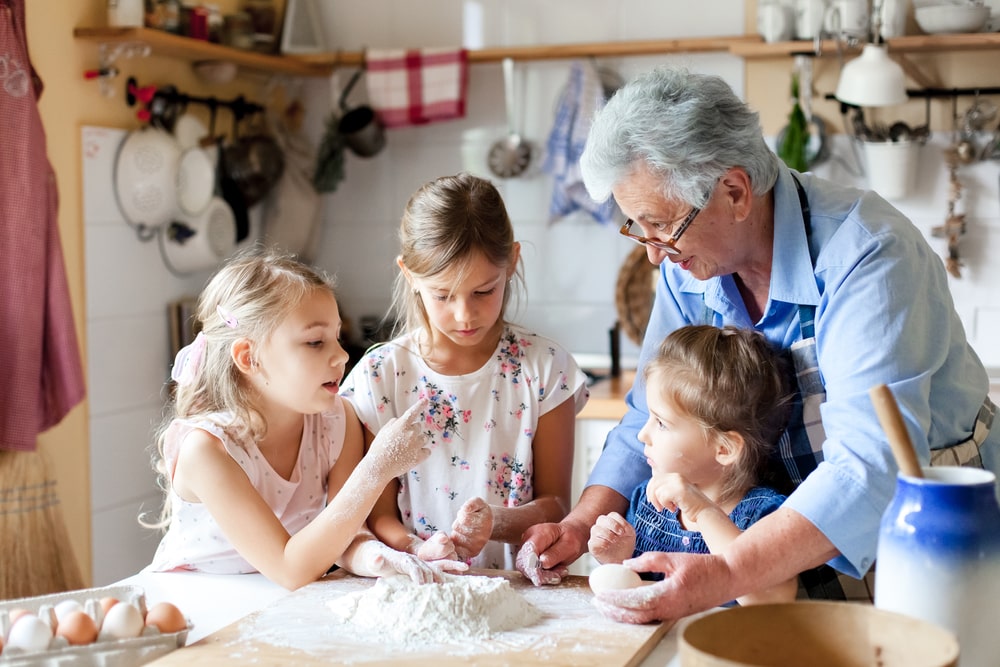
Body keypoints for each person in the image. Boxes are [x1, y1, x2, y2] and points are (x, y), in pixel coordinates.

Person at [517, 67, 998, 622]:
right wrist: (580, 524)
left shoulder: (869, 255)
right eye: (637, 227)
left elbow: (868, 465)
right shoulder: (690, 266)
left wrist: (724, 573)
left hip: (924, 533)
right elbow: (644, 416)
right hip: (780, 539)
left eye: (660, 226)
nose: (652, 254)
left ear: (736, 192)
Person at [144, 247, 461, 590]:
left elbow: (345, 533)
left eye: (337, 337)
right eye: (314, 342)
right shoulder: (207, 451)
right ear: (249, 358)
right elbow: (289, 568)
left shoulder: (336, 422)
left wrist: (387, 558)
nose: (341, 355)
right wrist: (377, 467)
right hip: (197, 607)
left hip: (274, 608)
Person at [340, 172, 590, 571]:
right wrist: (417, 548)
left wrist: (497, 522)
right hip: (415, 587)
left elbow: (558, 503)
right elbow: (376, 513)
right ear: (409, 275)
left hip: (521, 592)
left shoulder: (545, 370)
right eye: (443, 295)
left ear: (512, 263)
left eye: (483, 291)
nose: (465, 315)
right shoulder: (381, 377)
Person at [587, 325, 797, 606]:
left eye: (661, 423)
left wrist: (702, 510)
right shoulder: (646, 502)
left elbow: (772, 599)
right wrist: (618, 558)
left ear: (724, 449)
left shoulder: (764, 515)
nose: (642, 435)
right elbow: (640, 594)